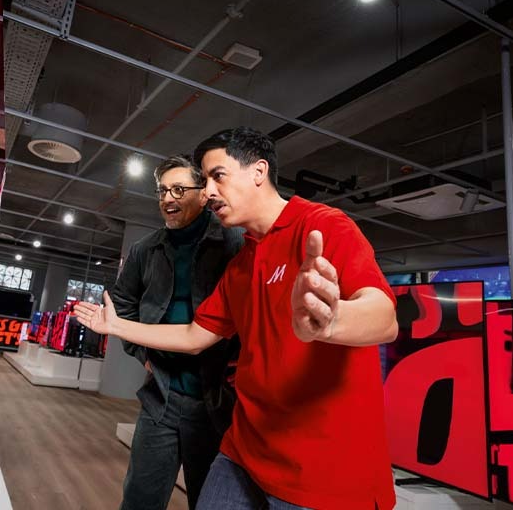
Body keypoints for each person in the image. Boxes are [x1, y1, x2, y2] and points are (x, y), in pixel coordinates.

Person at [76, 128, 398, 510]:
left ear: (258, 172)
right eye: (206, 179)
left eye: (217, 176)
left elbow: (384, 316)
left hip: (321, 469)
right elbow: (196, 334)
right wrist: (115, 327)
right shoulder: (241, 265)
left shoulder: (325, 225)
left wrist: (333, 321)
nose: (208, 190)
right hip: (245, 451)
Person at [108, 154, 244, 510]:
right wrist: (142, 353)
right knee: (140, 499)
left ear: (203, 195)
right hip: (161, 398)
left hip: (215, 404)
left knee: (209, 502)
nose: (168, 198)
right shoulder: (144, 250)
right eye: (163, 191)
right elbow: (122, 302)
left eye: (179, 189)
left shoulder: (234, 244)